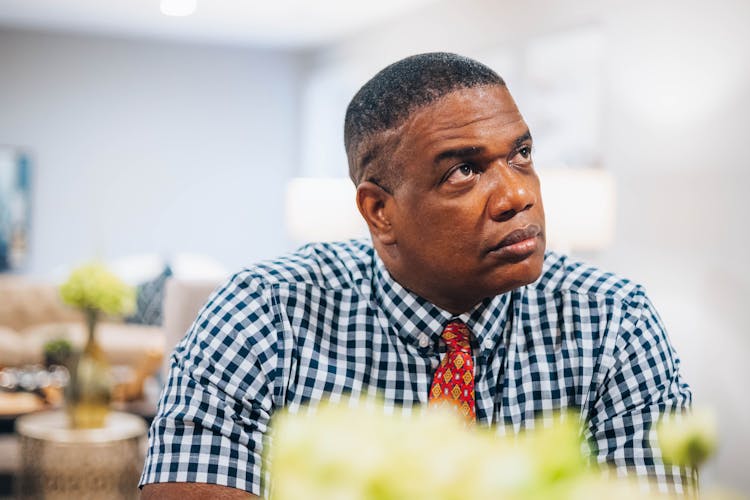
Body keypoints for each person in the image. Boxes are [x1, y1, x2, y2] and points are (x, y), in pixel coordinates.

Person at [140, 52, 693, 499]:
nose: (518, 195)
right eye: (463, 170)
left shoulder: (612, 320)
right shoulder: (262, 313)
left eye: (521, 154)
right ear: (380, 212)